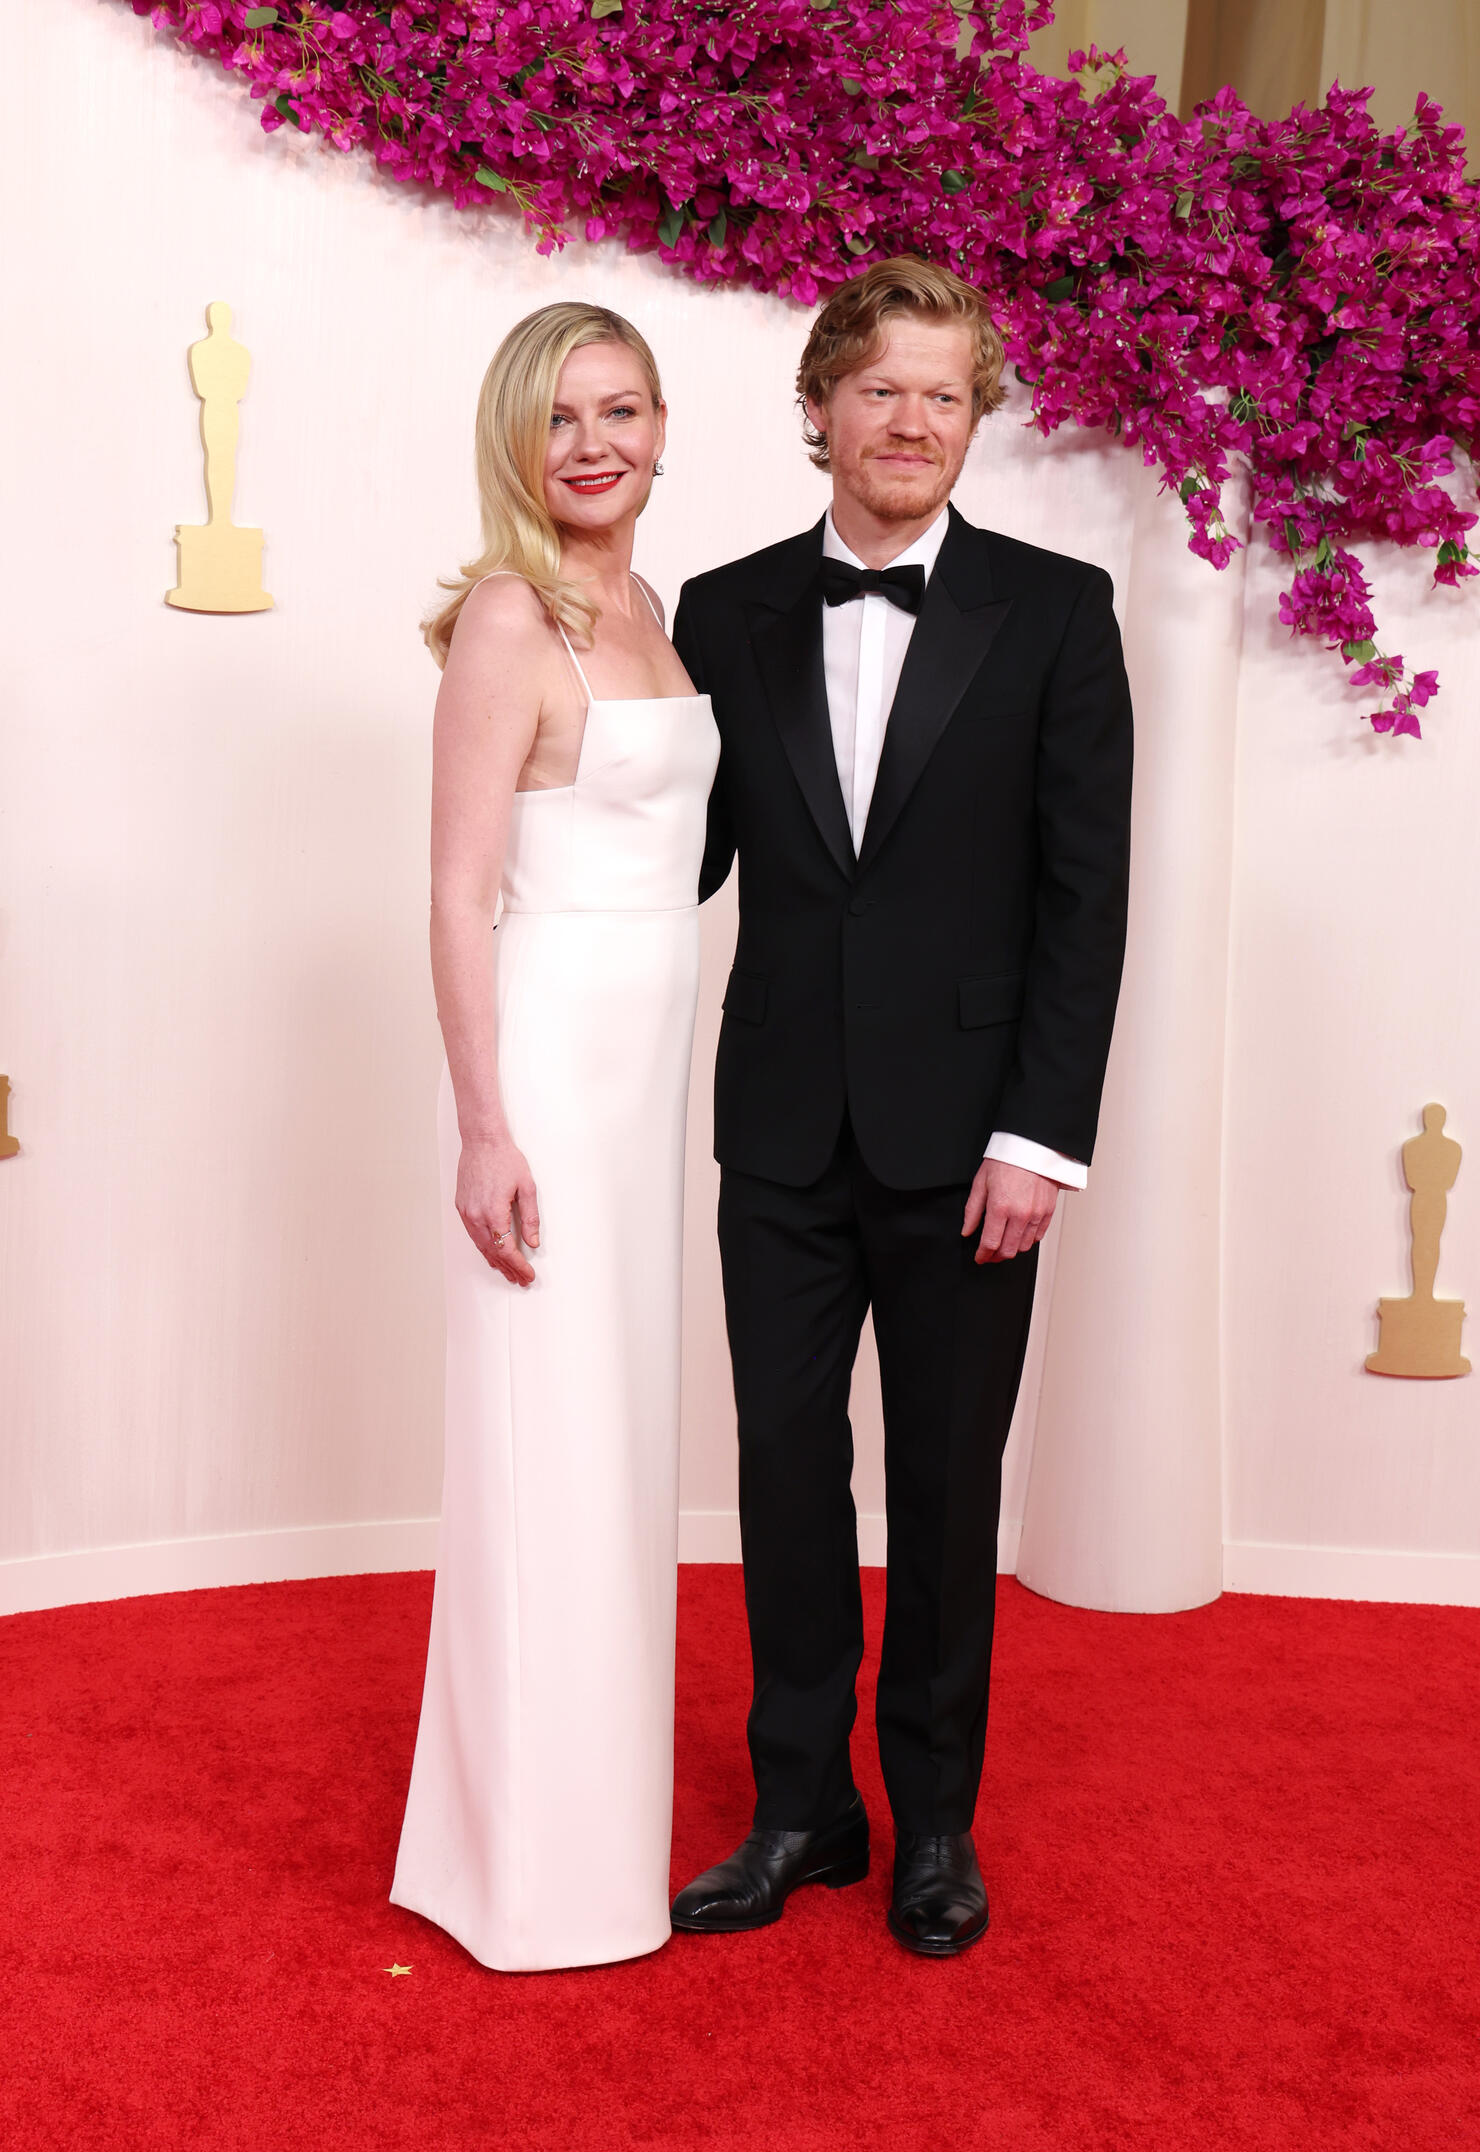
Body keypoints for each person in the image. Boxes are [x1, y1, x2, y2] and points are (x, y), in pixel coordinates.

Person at [669, 258, 1133, 1956]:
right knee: (784, 1474)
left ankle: (937, 1823)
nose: (913, 421)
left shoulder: (1058, 609)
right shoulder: (720, 612)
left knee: (947, 1490)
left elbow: (1089, 898)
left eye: (944, 392)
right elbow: (681, 858)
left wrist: (1040, 1136)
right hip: (777, 1127)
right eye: (881, 389)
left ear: (977, 416)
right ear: (819, 408)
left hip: (972, 1149)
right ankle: (804, 1808)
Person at [390, 303, 718, 1971]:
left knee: (613, 1452)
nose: (591, 442)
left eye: (620, 409)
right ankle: (523, 1875)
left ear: (663, 427)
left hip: (649, 1072)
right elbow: (457, 891)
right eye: (557, 417)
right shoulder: (511, 618)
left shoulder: (653, 606)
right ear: (514, 440)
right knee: (545, 1454)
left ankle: (586, 1841)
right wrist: (482, 1124)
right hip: (549, 1072)